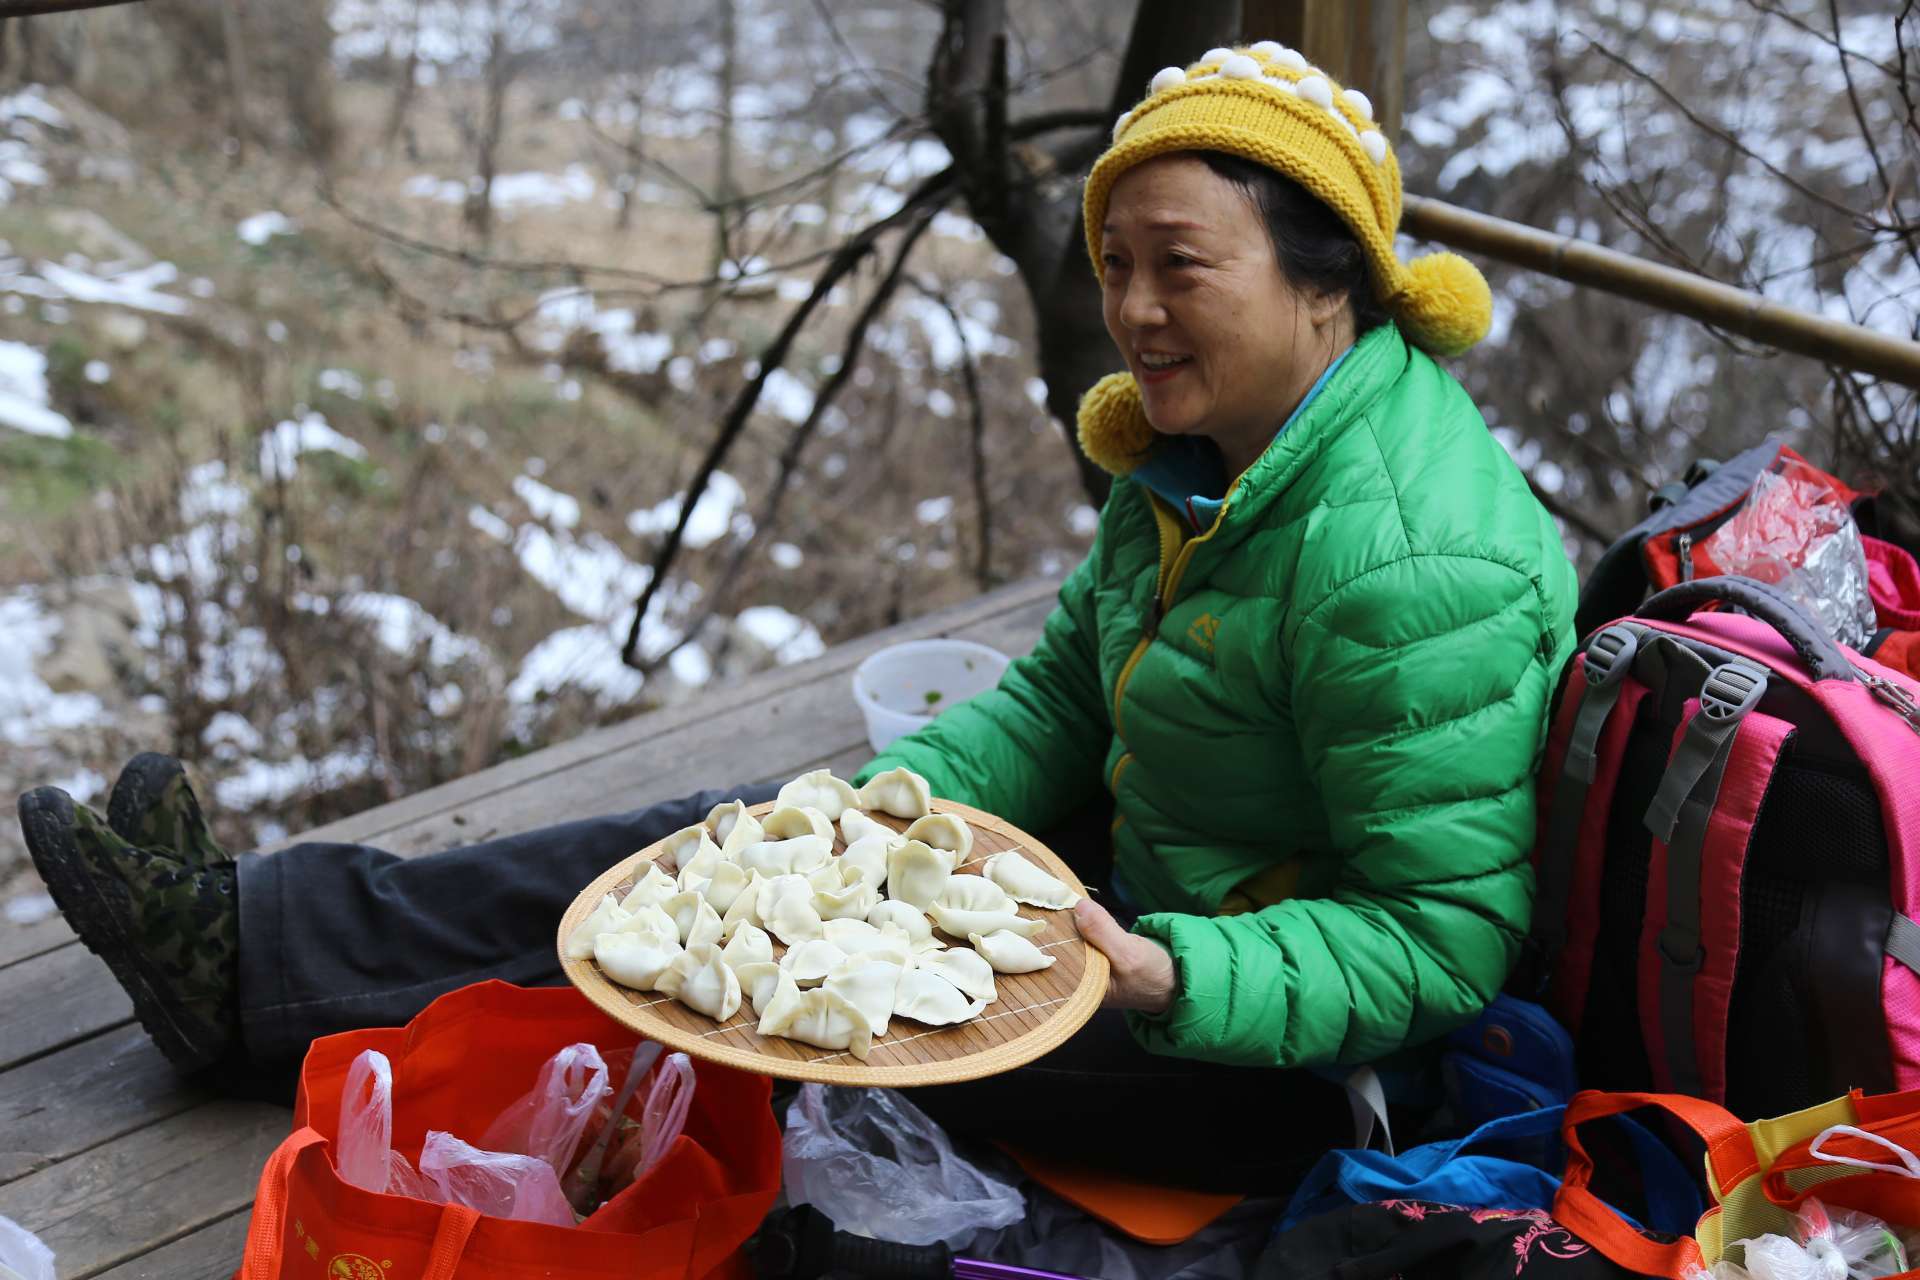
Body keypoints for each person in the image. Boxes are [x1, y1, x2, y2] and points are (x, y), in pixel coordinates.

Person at [18, 43, 1578, 1194]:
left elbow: (1439, 939)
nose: (1134, 308)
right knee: (724, 852)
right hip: (1133, 901)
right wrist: (836, 817)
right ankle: (248, 942)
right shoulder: (1207, 460)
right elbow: (1059, 707)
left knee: (745, 978)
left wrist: (1176, 975)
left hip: (1259, 1056)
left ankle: (245, 985)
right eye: (1115, 263)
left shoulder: (1406, 558)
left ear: (1332, 286)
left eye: (1183, 266)